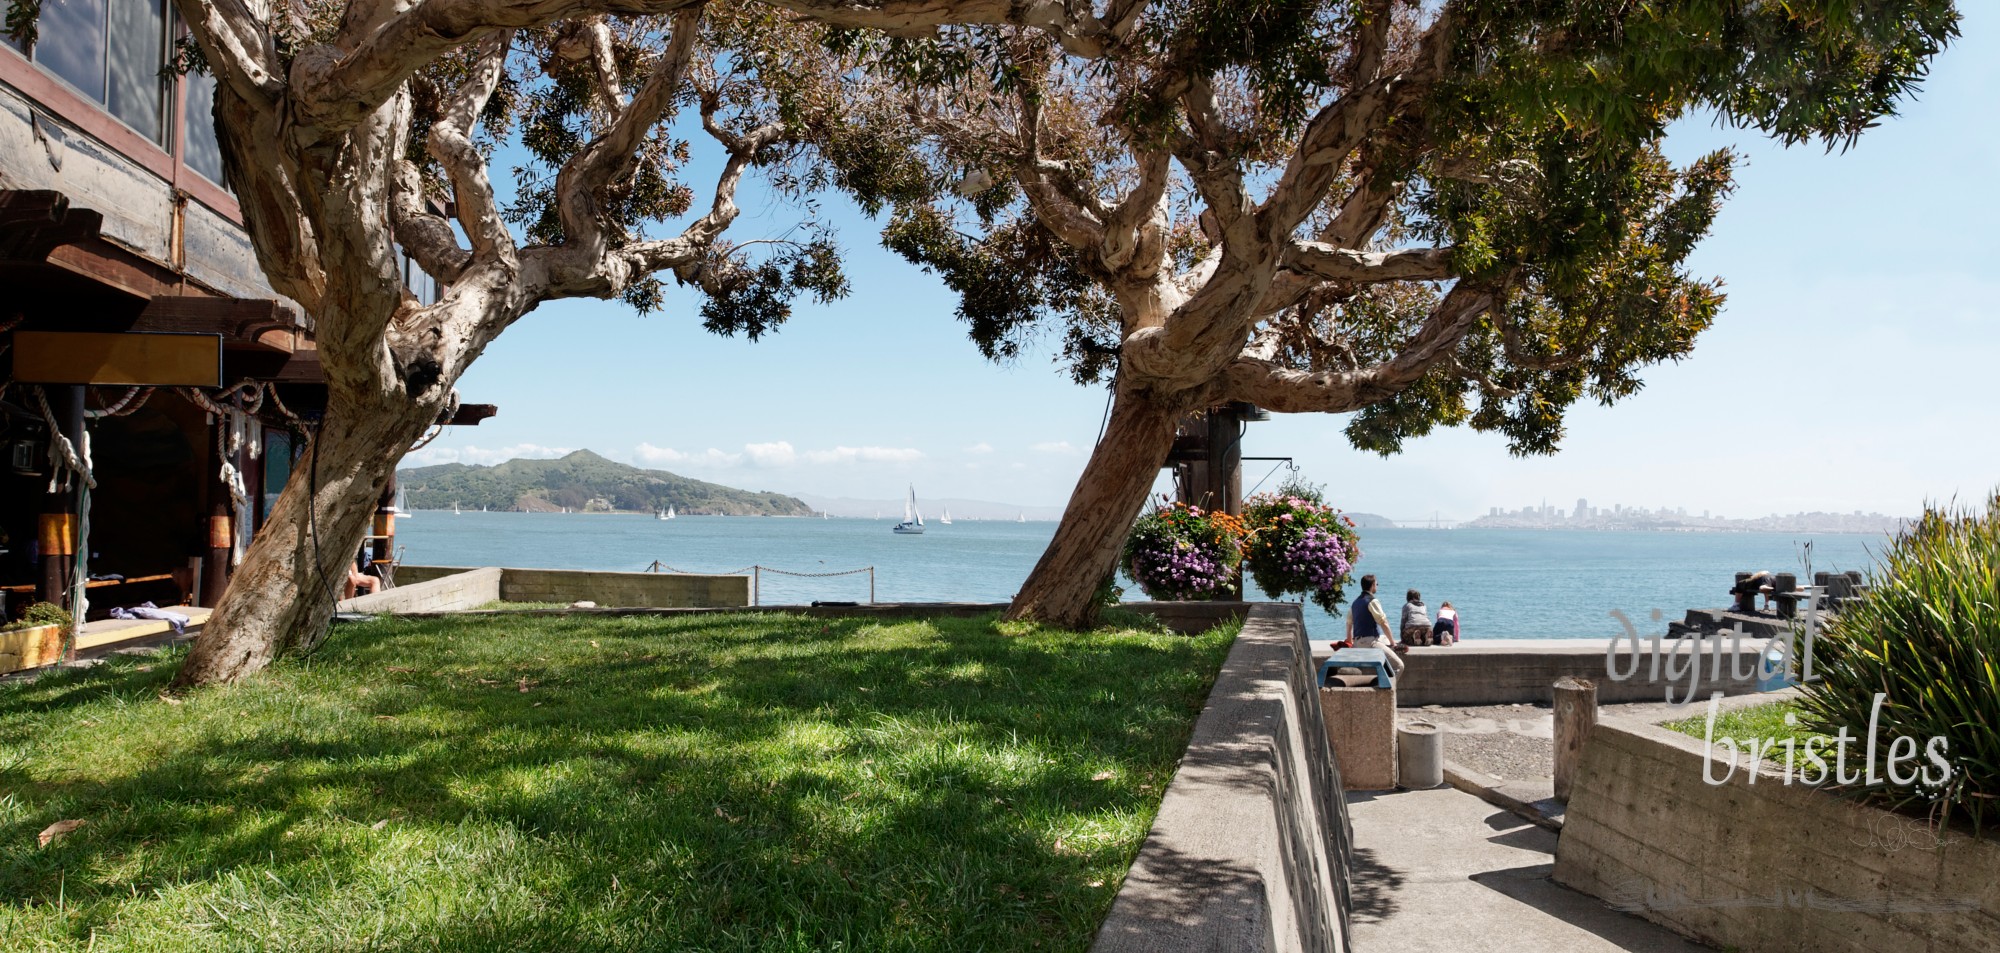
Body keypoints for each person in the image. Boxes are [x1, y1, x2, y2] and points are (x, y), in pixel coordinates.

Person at [1344, 574, 1405, 675]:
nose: (1377, 586)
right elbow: (1383, 623)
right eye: (1376, 584)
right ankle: (1388, 690)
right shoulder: (1372, 601)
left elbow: (1349, 624)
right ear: (1372, 585)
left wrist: (1350, 643)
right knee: (1399, 666)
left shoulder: (1355, 603)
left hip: (1358, 642)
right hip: (1370, 643)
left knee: (1383, 638)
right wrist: (1393, 643)